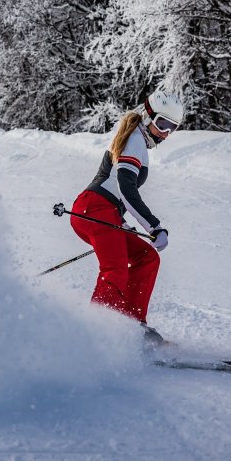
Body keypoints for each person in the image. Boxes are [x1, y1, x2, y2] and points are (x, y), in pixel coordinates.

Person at [70, 91, 184, 345]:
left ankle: (132, 326)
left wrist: (123, 225)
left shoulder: (135, 141)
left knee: (146, 257)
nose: (165, 133)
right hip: (95, 209)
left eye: (172, 128)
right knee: (116, 269)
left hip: (101, 211)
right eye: (162, 124)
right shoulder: (134, 140)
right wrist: (154, 226)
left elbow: (117, 194)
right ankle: (98, 334)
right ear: (148, 116)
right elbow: (125, 189)